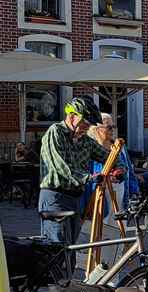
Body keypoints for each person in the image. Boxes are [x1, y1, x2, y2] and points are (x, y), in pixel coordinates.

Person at [39, 97, 128, 259]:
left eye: (89, 124)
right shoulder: (55, 132)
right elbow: (61, 166)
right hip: (54, 197)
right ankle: (53, 282)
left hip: (75, 199)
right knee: (56, 247)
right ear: (72, 117)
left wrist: (120, 169)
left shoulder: (86, 141)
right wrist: (88, 178)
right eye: (84, 122)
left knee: (72, 250)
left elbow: (110, 157)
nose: (86, 127)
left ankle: (68, 283)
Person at [83, 113, 139, 228]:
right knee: (99, 232)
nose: (112, 130)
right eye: (108, 127)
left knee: (119, 231)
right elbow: (85, 175)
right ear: (96, 130)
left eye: (113, 126)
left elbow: (130, 172)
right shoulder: (88, 147)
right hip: (98, 197)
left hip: (121, 198)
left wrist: (134, 195)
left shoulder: (120, 147)